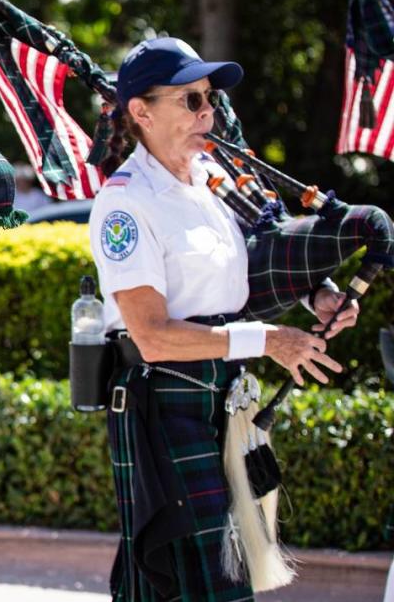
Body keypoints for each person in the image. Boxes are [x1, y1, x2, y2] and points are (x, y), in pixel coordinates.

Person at [87, 37, 359, 601]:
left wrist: (320, 297)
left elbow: (258, 259)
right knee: (198, 579)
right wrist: (268, 339)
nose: (208, 112)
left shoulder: (214, 179)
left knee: (192, 577)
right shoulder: (125, 203)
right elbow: (152, 335)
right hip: (161, 401)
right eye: (190, 100)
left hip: (223, 398)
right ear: (141, 111)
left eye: (208, 98)